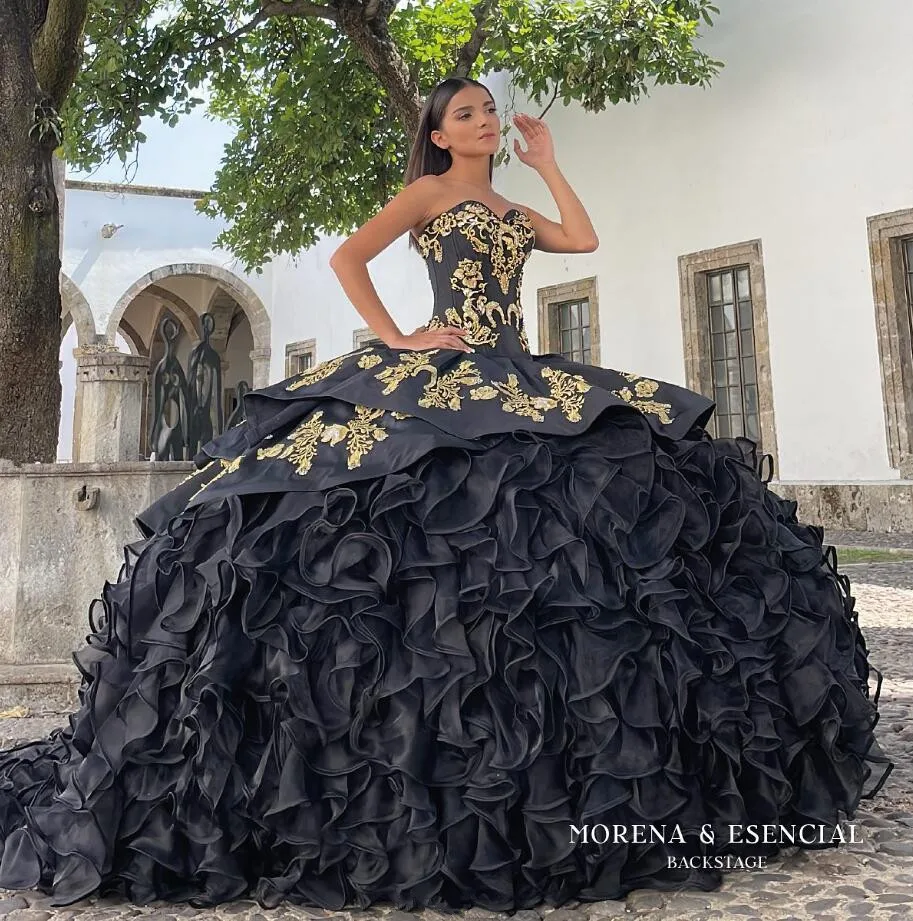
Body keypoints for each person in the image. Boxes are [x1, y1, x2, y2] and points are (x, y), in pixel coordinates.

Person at [0, 76, 893, 911]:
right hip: (441, 365)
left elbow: (580, 241)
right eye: (465, 113)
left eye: (488, 112)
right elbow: (350, 256)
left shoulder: (510, 205)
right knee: (414, 536)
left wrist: (546, 163)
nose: (483, 121)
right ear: (436, 133)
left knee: (573, 518)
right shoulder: (429, 196)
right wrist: (397, 339)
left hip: (512, 369)